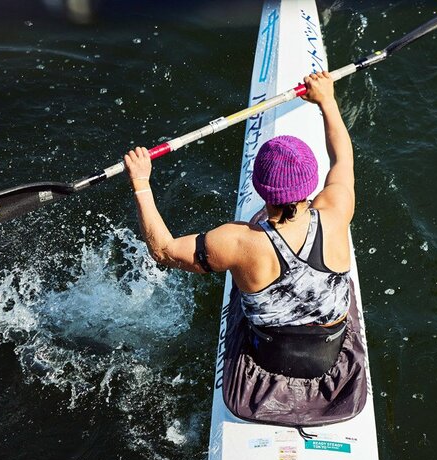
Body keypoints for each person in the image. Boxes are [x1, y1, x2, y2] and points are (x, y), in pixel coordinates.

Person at [124, 71, 354, 378]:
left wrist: (140, 182)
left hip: (270, 356)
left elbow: (163, 251)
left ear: (259, 187)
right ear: (311, 183)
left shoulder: (236, 242)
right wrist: (327, 100)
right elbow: (342, 160)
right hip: (328, 353)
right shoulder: (336, 210)